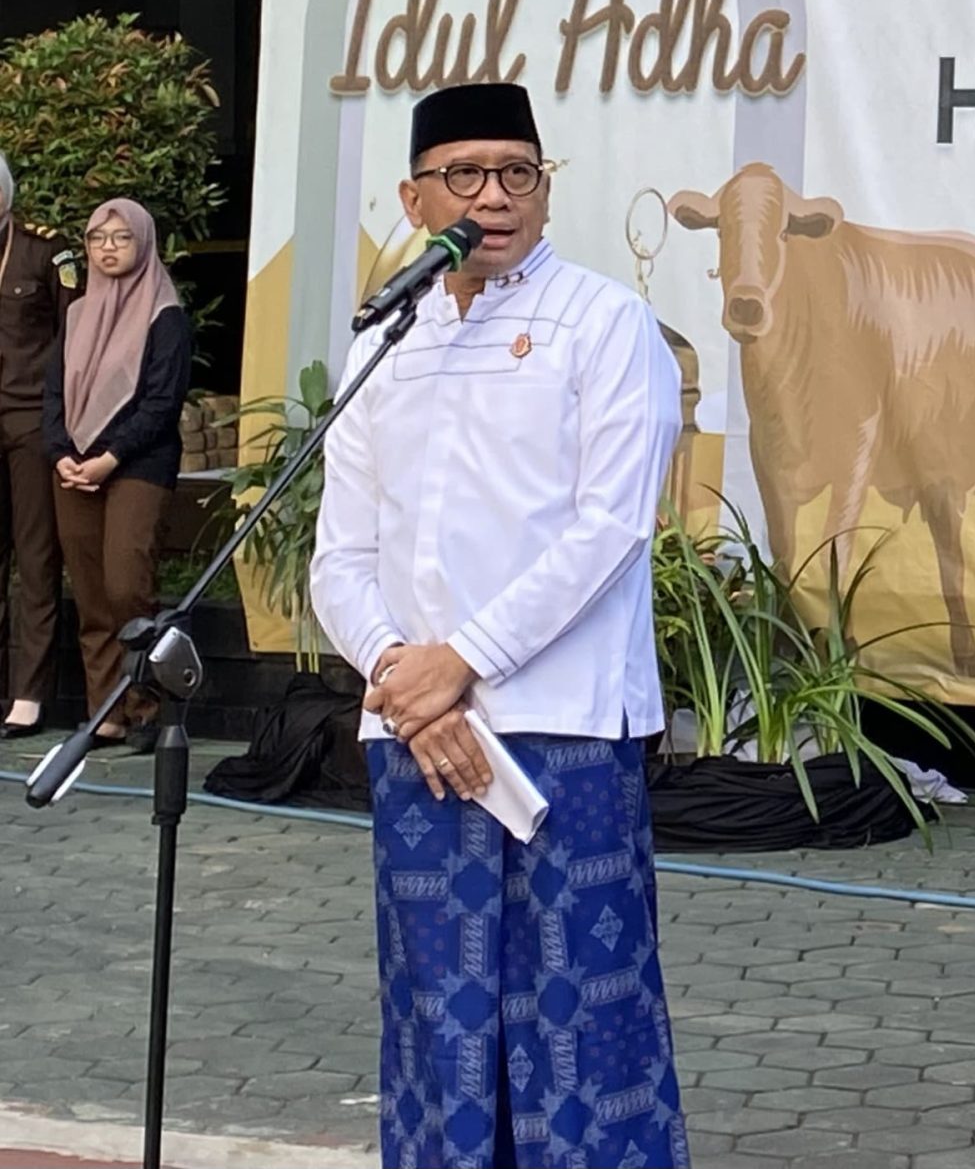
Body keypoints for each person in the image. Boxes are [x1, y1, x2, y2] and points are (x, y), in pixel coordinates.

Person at [309, 81, 689, 1169]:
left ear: (544, 189)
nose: (495, 196)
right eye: (465, 174)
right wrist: (403, 675)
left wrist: (462, 661)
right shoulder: (385, 343)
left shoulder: (604, 322)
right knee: (439, 1022)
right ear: (415, 199)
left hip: (563, 729)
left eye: (518, 172)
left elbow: (610, 527)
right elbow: (342, 555)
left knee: (581, 1031)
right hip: (417, 738)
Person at [43, 197, 191, 752]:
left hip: (137, 464)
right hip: (76, 466)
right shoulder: (78, 314)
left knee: (127, 586)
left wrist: (110, 456)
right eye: (98, 238)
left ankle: (147, 706)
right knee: (90, 593)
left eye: (121, 237)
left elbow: (162, 403)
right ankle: (104, 710)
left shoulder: (165, 315)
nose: (108, 248)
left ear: (143, 243)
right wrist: (59, 450)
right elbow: (53, 391)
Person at [0, 149, 69, 740]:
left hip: (28, 418)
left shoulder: (44, 250)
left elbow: (72, 336)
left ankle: (29, 692)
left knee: (35, 557)